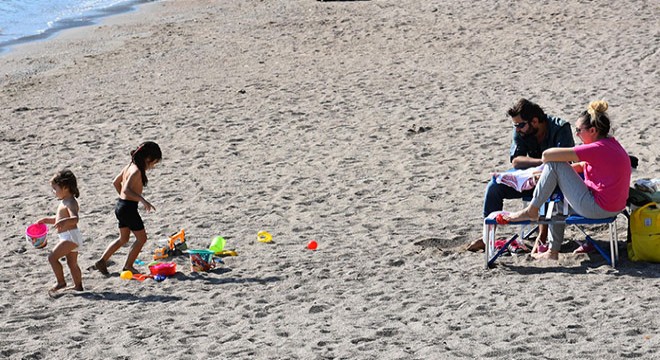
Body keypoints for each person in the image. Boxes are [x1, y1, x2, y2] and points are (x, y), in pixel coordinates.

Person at [505, 100, 631, 260]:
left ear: (592, 130)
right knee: (555, 206)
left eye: (579, 130)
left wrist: (554, 170)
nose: (576, 134)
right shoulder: (610, 144)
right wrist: (551, 176)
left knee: (554, 164)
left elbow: (546, 156)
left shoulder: (596, 148)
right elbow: (581, 166)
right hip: (614, 206)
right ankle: (552, 251)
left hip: (599, 208)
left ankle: (532, 210)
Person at [467, 98, 575, 251]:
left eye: (520, 125)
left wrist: (547, 168)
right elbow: (516, 161)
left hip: (556, 181)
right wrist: (543, 162)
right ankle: (487, 237)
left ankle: (542, 234)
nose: (517, 129)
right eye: (515, 125)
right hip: (529, 176)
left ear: (535, 121)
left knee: (546, 182)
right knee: (494, 186)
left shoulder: (560, 128)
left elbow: (566, 159)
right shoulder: (521, 130)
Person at [94, 141, 162, 275]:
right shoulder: (136, 171)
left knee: (123, 238)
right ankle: (128, 266)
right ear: (148, 159)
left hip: (121, 206)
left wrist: (123, 199)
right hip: (128, 208)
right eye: (154, 163)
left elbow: (115, 182)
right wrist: (142, 200)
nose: (153, 166)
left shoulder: (130, 166)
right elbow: (126, 189)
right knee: (142, 239)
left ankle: (102, 261)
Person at [37, 170, 83, 294]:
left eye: (55, 188)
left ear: (65, 187)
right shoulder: (64, 201)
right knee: (72, 263)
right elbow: (59, 220)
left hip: (70, 237)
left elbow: (75, 219)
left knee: (52, 257)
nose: (53, 192)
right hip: (70, 237)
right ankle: (78, 286)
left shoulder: (70, 202)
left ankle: (61, 282)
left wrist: (64, 222)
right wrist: (47, 220)